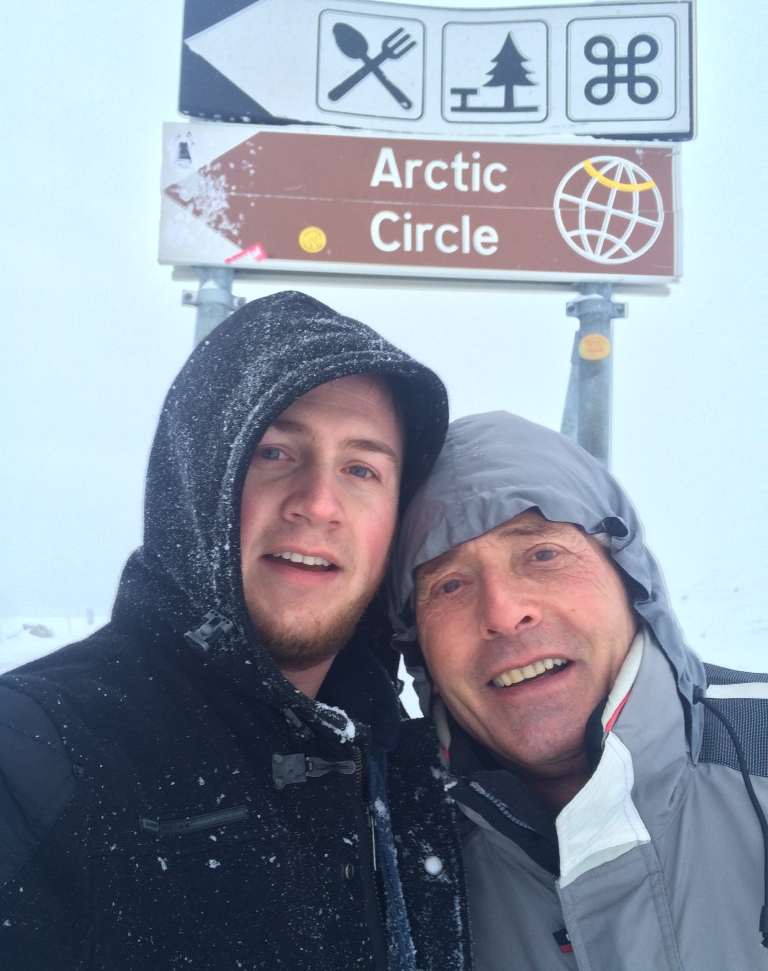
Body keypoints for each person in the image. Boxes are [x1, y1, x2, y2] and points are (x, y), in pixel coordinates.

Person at [0, 291, 472, 971]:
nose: (318, 502)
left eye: (361, 469)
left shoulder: (409, 767)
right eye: (276, 452)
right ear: (197, 482)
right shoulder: (41, 754)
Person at [390, 410, 768, 970]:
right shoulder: (390, 849)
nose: (503, 611)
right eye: (448, 584)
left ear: (630, 579)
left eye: (542, 554)